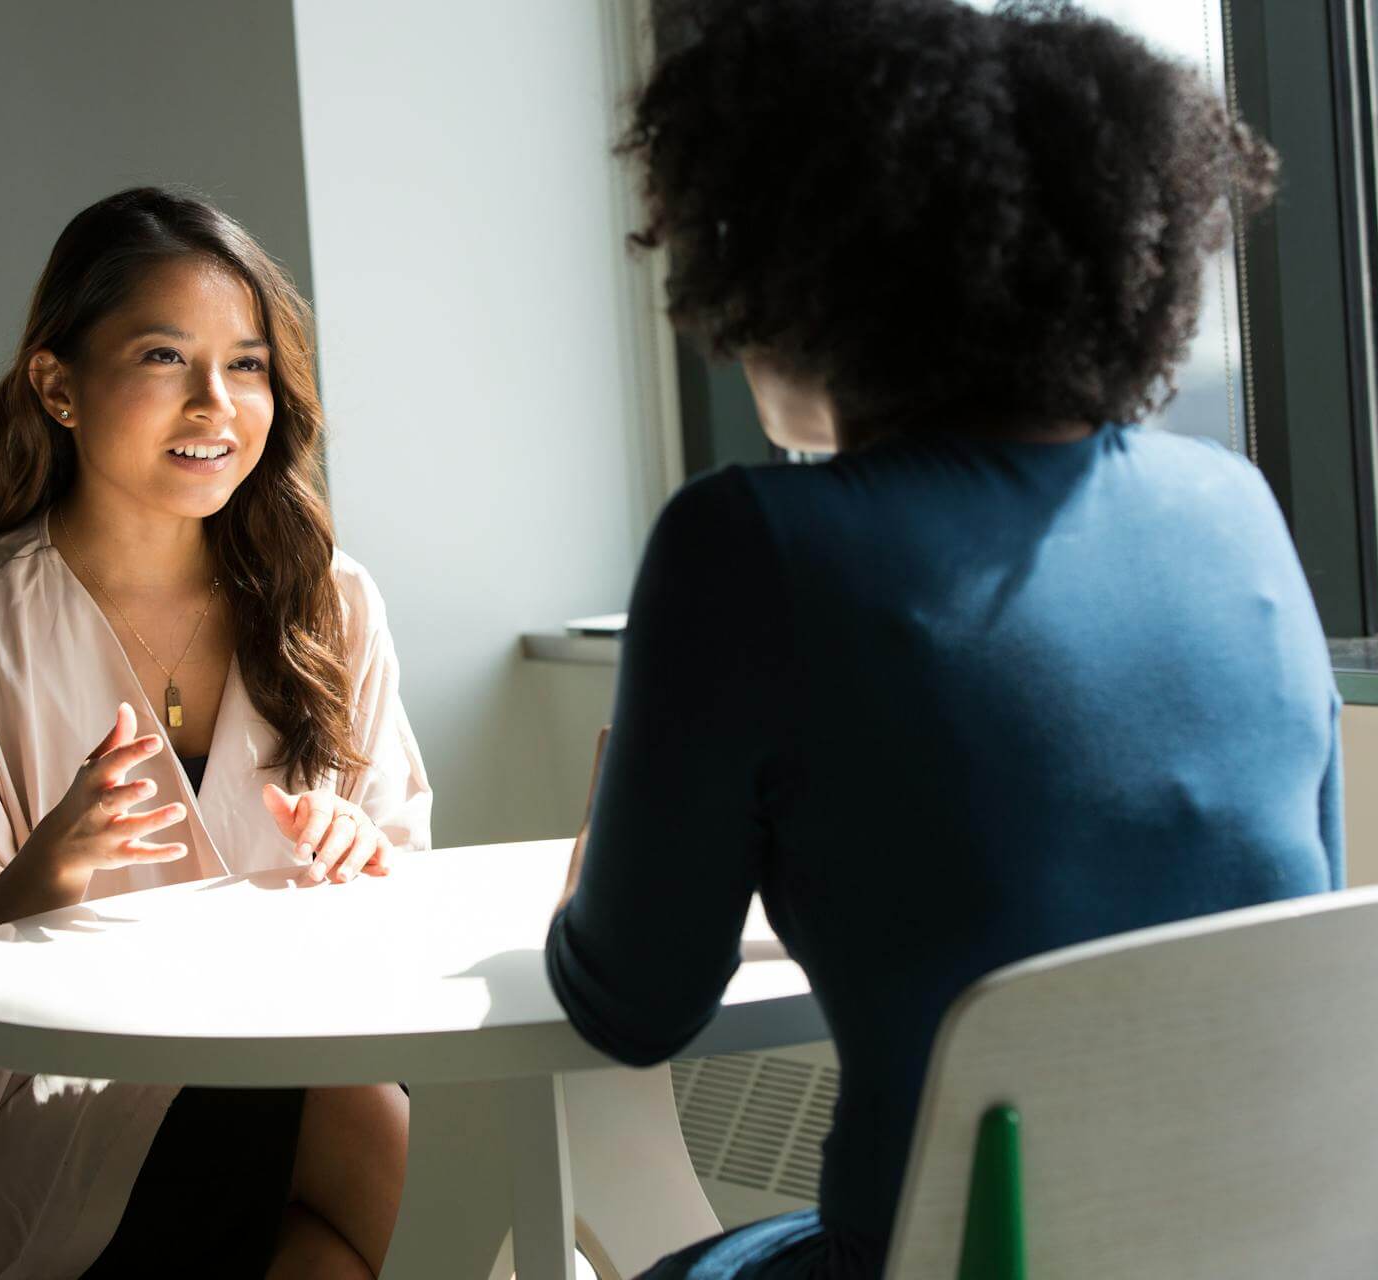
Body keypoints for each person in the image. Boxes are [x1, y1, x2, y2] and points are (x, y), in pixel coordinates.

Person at [544, 2, 1337, 1277]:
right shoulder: (1235, 510)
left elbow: (632, 1006)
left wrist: (601, 879)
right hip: (1276, 1246)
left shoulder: (750, 540)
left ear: (798, 268)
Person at [0, 187, 431, 1280]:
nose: (217, 404)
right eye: (163, 357)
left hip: (300, 1054)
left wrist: (361, 851)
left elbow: (406, 892)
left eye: (246, 364)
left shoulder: (332, 601)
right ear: (58, 385)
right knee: (378, 1134)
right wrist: (44, 874)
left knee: (343, 1208)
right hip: (42, 1107)